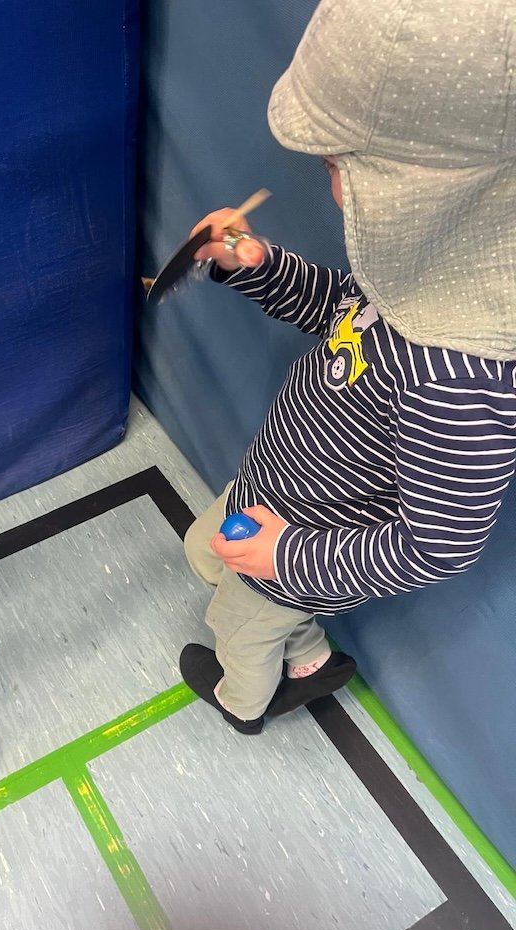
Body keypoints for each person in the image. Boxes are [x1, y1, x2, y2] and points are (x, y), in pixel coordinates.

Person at [180, 0, 516, 733]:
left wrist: (287, 561)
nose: (328, 176)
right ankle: (310, 662)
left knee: (242, 631)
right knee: (205, 554)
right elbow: (340, 311)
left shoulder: (461, 378)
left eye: (340, 166)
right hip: (272, 491)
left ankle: (244, 702)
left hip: (300, 548)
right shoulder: (424, 276)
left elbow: (440, 545)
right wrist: (258, 267)